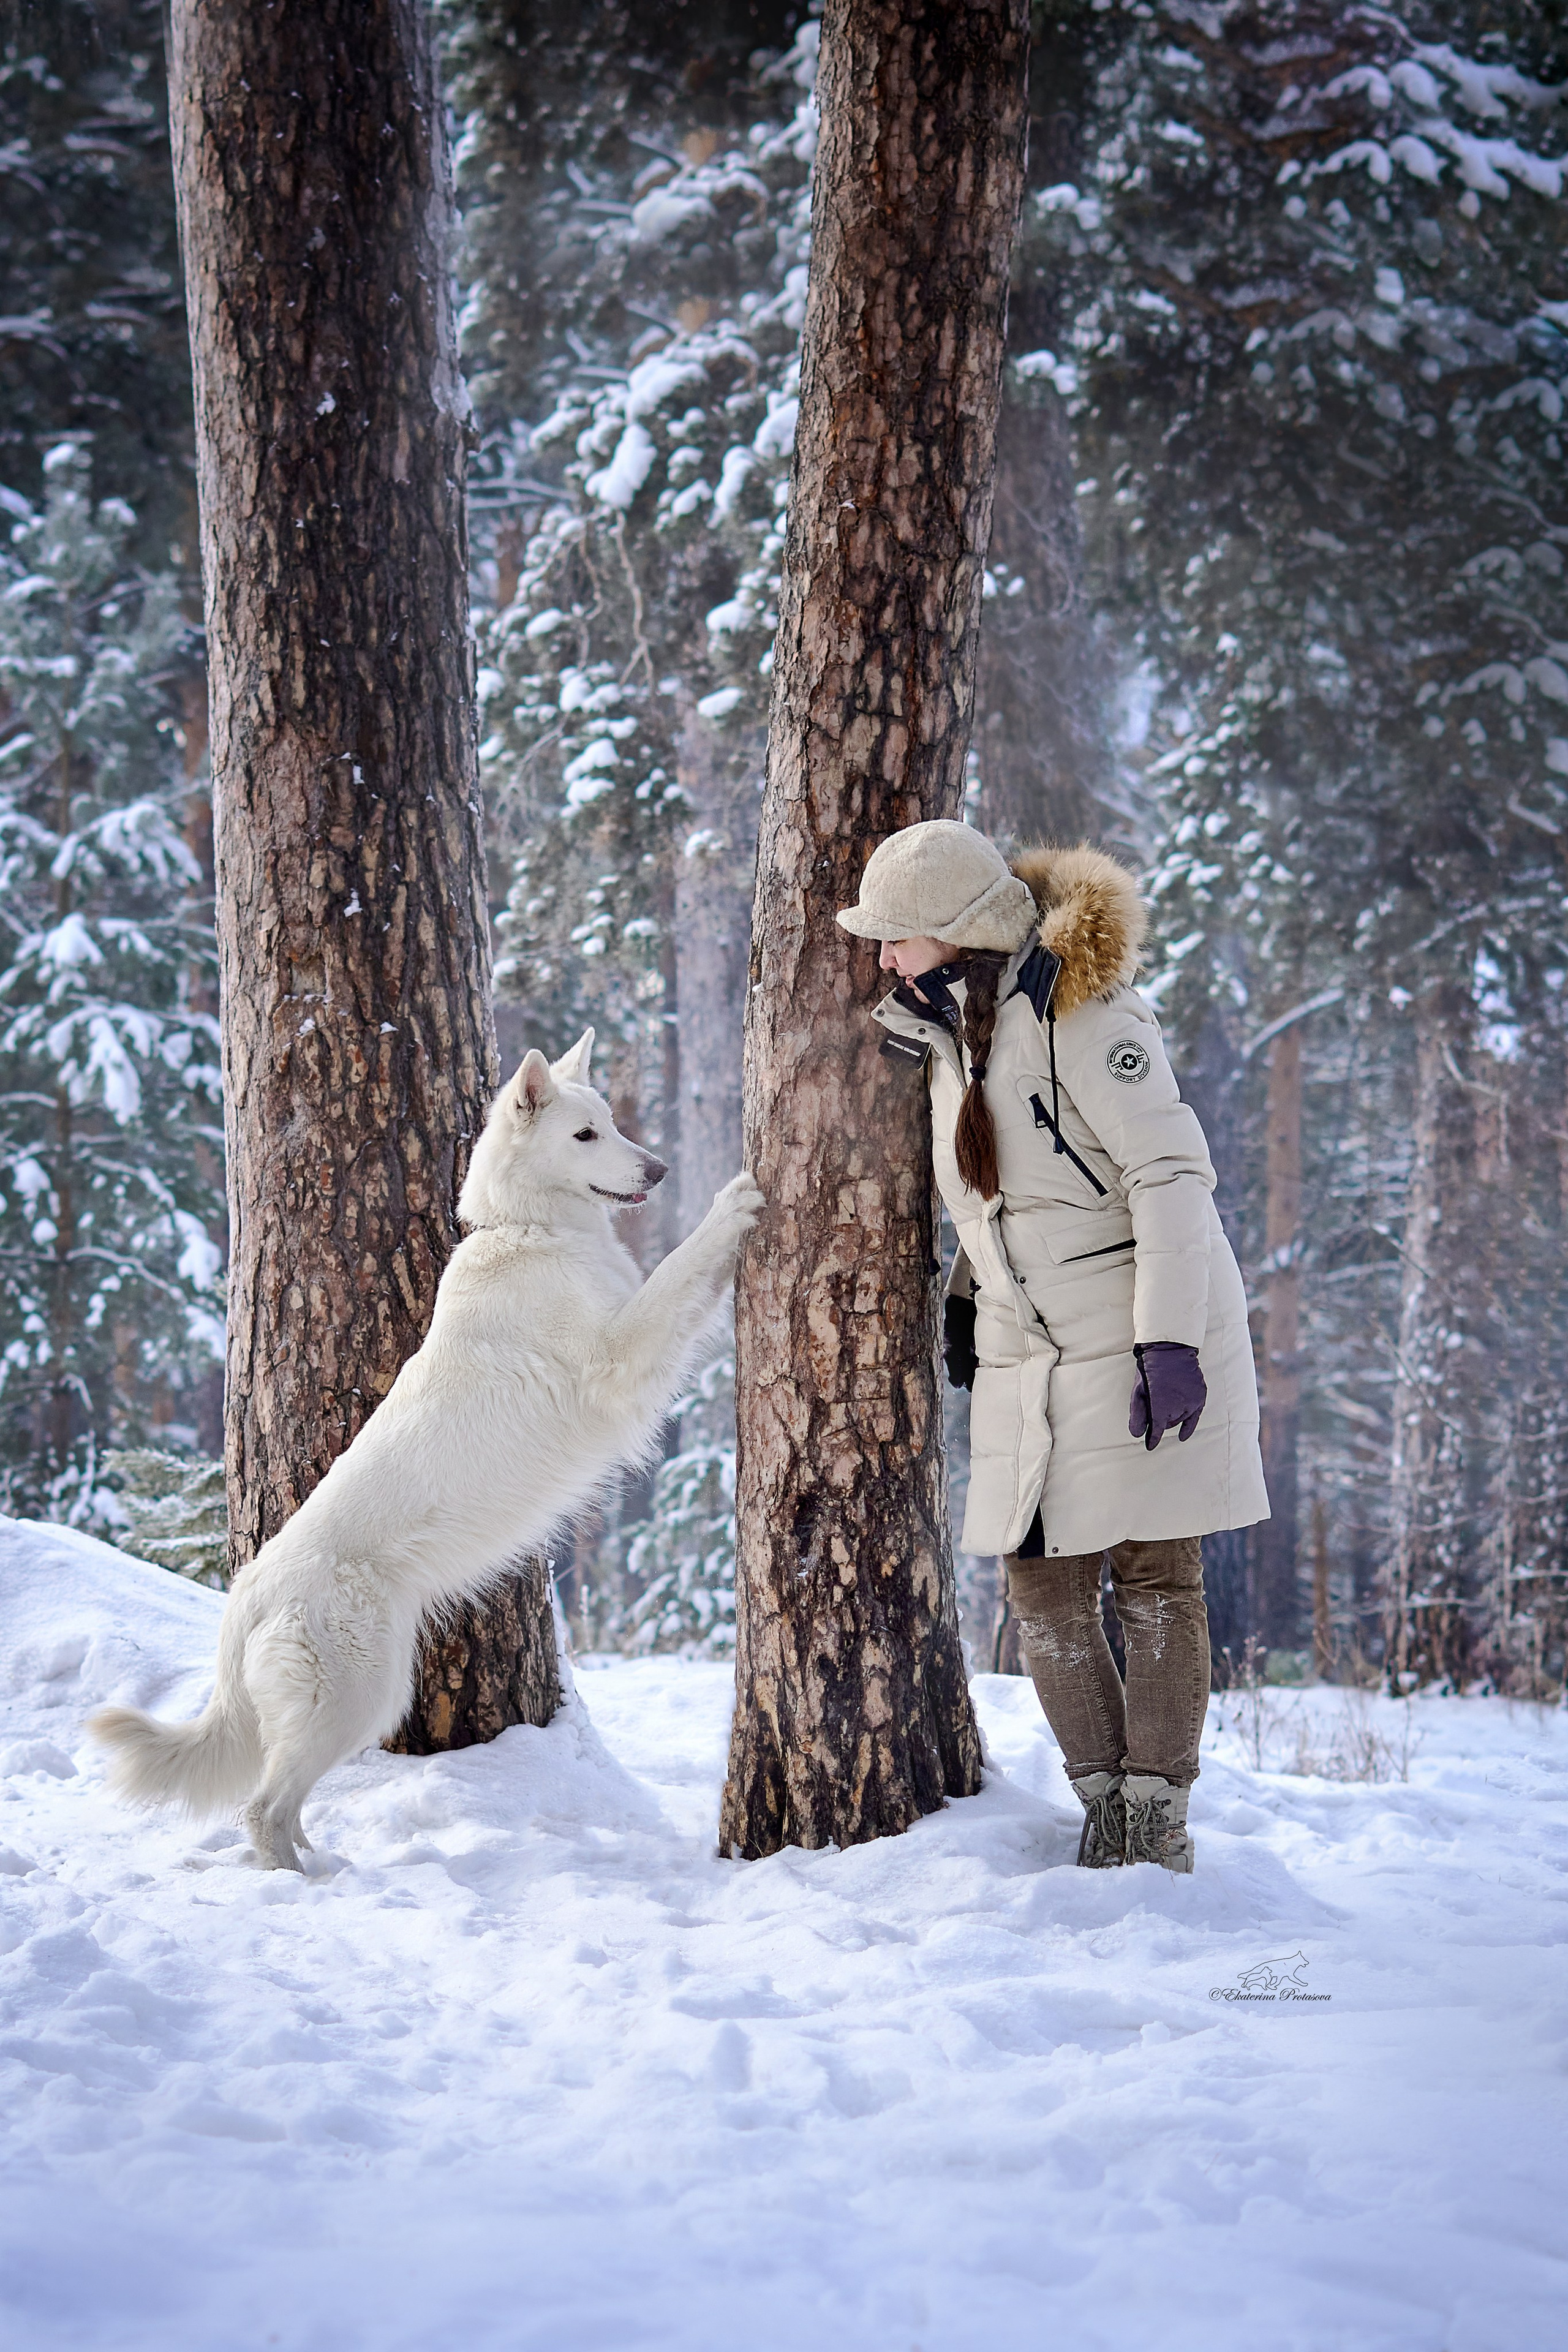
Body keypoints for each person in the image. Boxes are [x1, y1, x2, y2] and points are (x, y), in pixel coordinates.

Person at [837, 820, 1268, 1872]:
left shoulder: (1088, 1013)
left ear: (955, 930)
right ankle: (1104, 1801)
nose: (883, 958)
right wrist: (964, 1293)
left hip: (1137, 1325)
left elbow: (1171, 1178)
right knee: (1042, 1585)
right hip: (1030, 1348)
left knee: (1155, 1569)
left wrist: (1168, 1343)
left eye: (898, 937)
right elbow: (1002, 1199)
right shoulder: (951, 1035)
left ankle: (1152, 1825)